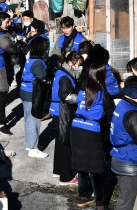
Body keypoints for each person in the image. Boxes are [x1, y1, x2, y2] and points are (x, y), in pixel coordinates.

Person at [70, 63, 115, 210]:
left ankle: (82, 195)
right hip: (91, 130)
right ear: (102, 76)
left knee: (81, 162)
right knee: (96, 167)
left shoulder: (82, 89)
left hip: (76, 128)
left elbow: (78, 103)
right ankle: (100, 203)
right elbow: (111, 116)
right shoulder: (103, 94)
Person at [109, 76, 137, 210]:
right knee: (128, 201)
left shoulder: (122, 105)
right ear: (134, 91)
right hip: (129, 162)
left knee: (127, 198)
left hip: (120, 157)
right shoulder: (133, 114)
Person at [50, 51, 84, 185]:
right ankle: (66, 177)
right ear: (71, 63)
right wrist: (81, 99)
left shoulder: (62, 72)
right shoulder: (65, 77)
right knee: (65, 142)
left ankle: (58, 170)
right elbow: (65, 95)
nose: (80, 68)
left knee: (60, 141)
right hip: (62, 111)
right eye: (79, 65)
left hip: (57, 110)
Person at [20, 36, 50, 158]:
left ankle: (30, 144)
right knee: (34, 120)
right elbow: (43, 79)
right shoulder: (37, 63)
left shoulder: (30, 59)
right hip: (33, 93)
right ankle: (33, 148)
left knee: (28, 119)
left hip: (25, 92)